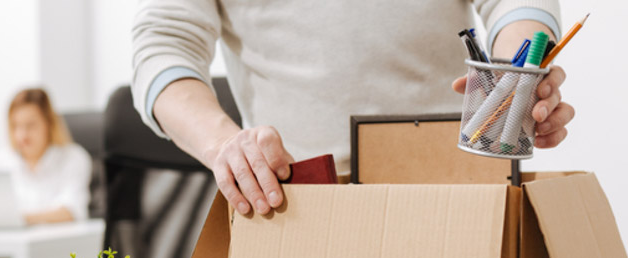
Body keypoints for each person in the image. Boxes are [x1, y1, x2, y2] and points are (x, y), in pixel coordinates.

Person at [131, 1, 574, 216]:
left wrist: (518, 79)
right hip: (297, 203)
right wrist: (223, 145)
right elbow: (164, 45)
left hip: (456, 196)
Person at [0, 88, 92, 225]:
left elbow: (71, 211)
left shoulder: (74, 158)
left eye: (31, 125)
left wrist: (18, 220)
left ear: (49, 124)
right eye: (16, 126)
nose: (22, 135)